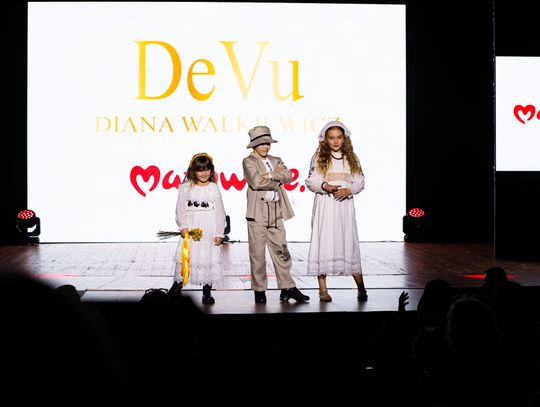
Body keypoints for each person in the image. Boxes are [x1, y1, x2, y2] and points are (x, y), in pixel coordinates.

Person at [242, 125, 310, 304]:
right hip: (257, 212)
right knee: (257, 254)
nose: (265, 146)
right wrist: (277, 180)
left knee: (282, 251)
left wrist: (270, 174)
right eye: (261, 143)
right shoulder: (248, 161)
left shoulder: (275, 159)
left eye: (268, 143)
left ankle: (287, 287)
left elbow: (289, 176)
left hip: (276, 210)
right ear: (254, 144)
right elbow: (256, 182)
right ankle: (259, 290)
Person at [305, 120, 368, 302]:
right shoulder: (319, 158)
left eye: (339, 137)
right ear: (325, 139)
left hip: (344, 207)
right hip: (326, 206)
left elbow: (360, 181)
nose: (335, 141)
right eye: (331, 138)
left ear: (344, 138)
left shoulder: (351, 158)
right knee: (323, 242)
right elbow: (311, 181)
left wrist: (350, 190)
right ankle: (323, 290)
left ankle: (361, 287)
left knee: (348, 242)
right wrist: (325, 186)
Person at [171, 152, 226, 304]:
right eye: (200, 170)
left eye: (207, 169)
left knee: (207, 256)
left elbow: (220, 212)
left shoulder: (213, 188)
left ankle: (207, 291)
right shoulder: (186, 187)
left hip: (208, 228)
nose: (204, 173)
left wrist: (219, 233)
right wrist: (183, 225)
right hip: (191, 227)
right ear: (193, 171)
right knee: (187, 256)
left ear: (211, 170)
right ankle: (176, 287)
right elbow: (180, 209)